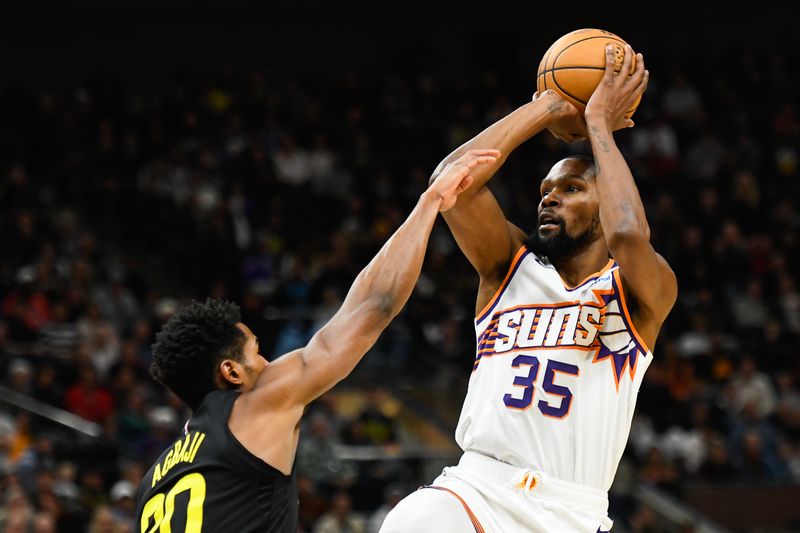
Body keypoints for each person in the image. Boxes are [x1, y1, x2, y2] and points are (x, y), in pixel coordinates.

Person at [381, 46, 677, 532]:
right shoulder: (508, 268)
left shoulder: (642, 291)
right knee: (411, 521)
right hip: (476, 488)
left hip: (572, 510)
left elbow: (626, 234)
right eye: (545, 192)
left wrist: (599, 123)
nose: (551, 199)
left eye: (572, 189)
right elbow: (449, 184)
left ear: (608, 201)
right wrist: (548, 106)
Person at [133, 149, 500, 532]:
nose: (269, 364)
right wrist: (431, 202)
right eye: (257, 353)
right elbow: (374, 306)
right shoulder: (252, 407)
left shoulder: (153, 483)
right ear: (232, 372)